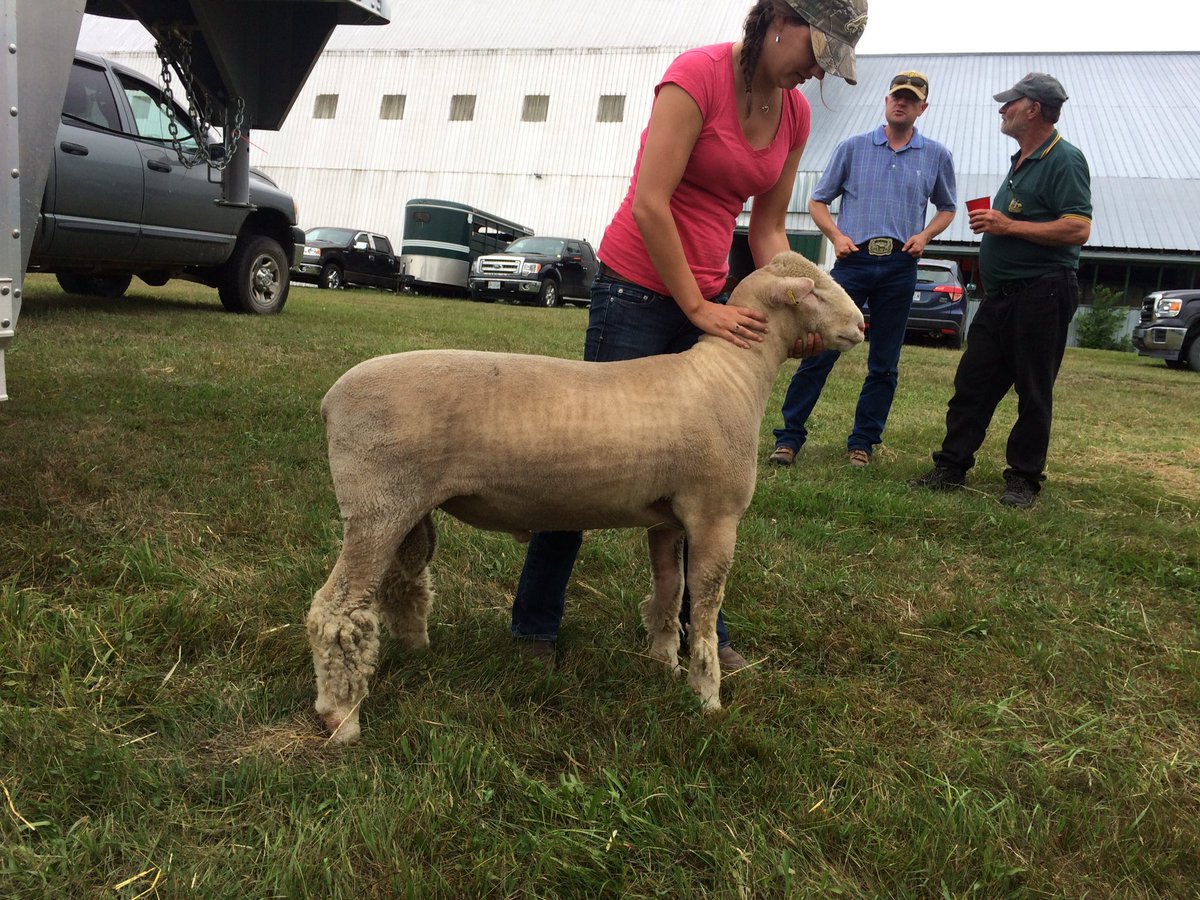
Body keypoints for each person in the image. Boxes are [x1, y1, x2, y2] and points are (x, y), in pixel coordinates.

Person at [509, 0, 867, 670]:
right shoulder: (695, 77)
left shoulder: (795, 114)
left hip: (713, 298)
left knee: (709, 474)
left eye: (830, 64)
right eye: (815, 53)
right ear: (780, 20)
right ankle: (534, 625)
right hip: (638, 286)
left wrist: (793, 309)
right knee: (584, 459)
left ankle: (702, 632)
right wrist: (698, 307)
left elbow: (768, 232)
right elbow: (651, 202)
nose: (816, 72)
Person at [910, 72, 1092, 508]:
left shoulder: (1064, 159)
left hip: (1043, 293)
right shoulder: (1021, 161)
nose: (1002, 109)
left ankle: (1024, 479)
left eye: (1011, 102)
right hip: (1002, 297)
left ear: (1033, 109)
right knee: (972, 383)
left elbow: (1078, 228)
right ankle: (951, 466)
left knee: (1033, 390)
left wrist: (1007, 226)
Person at [768, 69, 957, 469]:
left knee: (884, 364)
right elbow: (818, 201)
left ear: (922, 108)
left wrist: (925, 235)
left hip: (900, 266)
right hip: (852, 262)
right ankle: (788, 438)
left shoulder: (937, 155)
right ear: (886, 101)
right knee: (820, 350)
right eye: (896, 96)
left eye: (910, 99)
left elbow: (948, 207)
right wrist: (836, 237)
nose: (901, 103)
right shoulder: (852, 148)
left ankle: (863, 443)